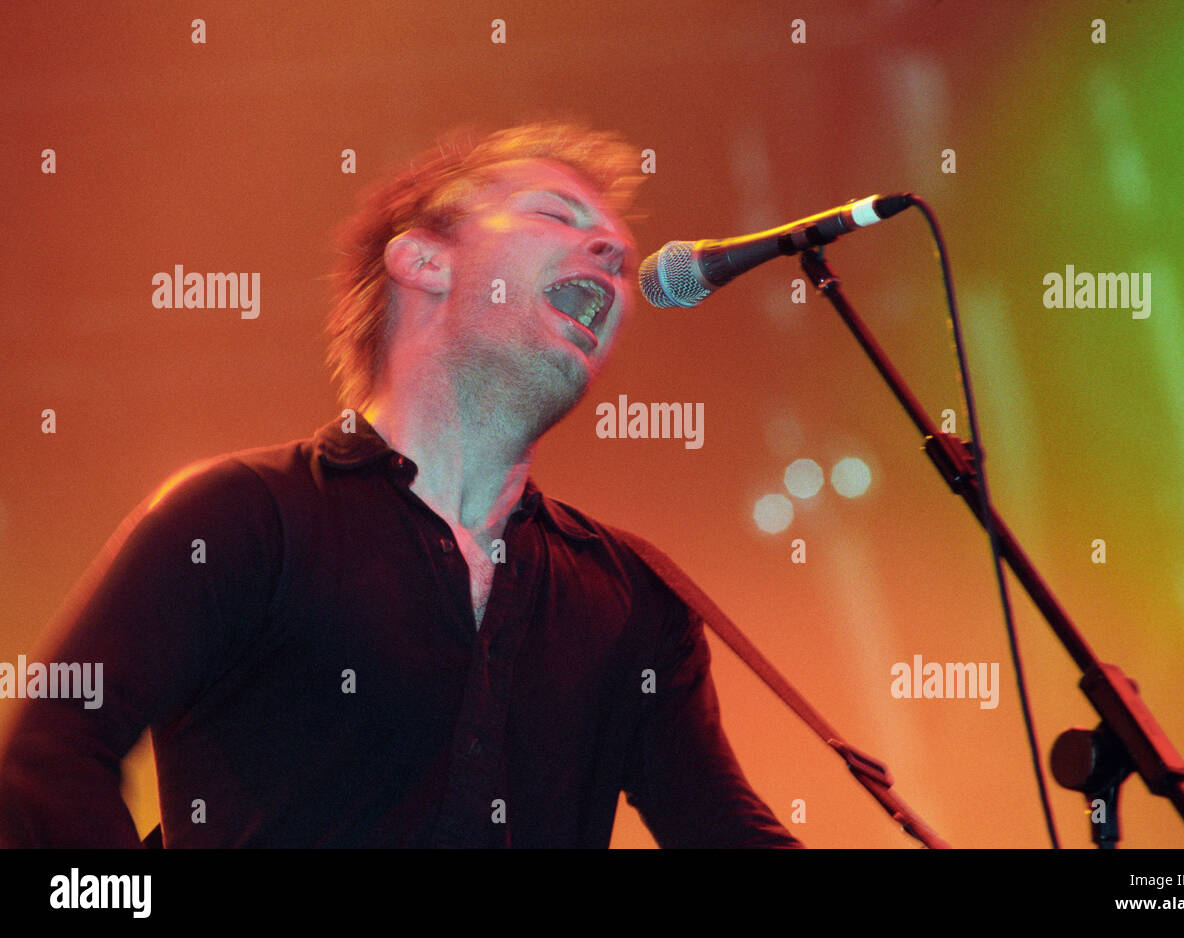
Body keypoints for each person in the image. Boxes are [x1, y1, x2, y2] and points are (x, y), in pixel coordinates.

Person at [0, 123, 802, 848]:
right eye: (557, 216)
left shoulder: (636, 599)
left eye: (618, 251)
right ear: (422, 260)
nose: (614, 253)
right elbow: (49, 759)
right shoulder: (242, 517)